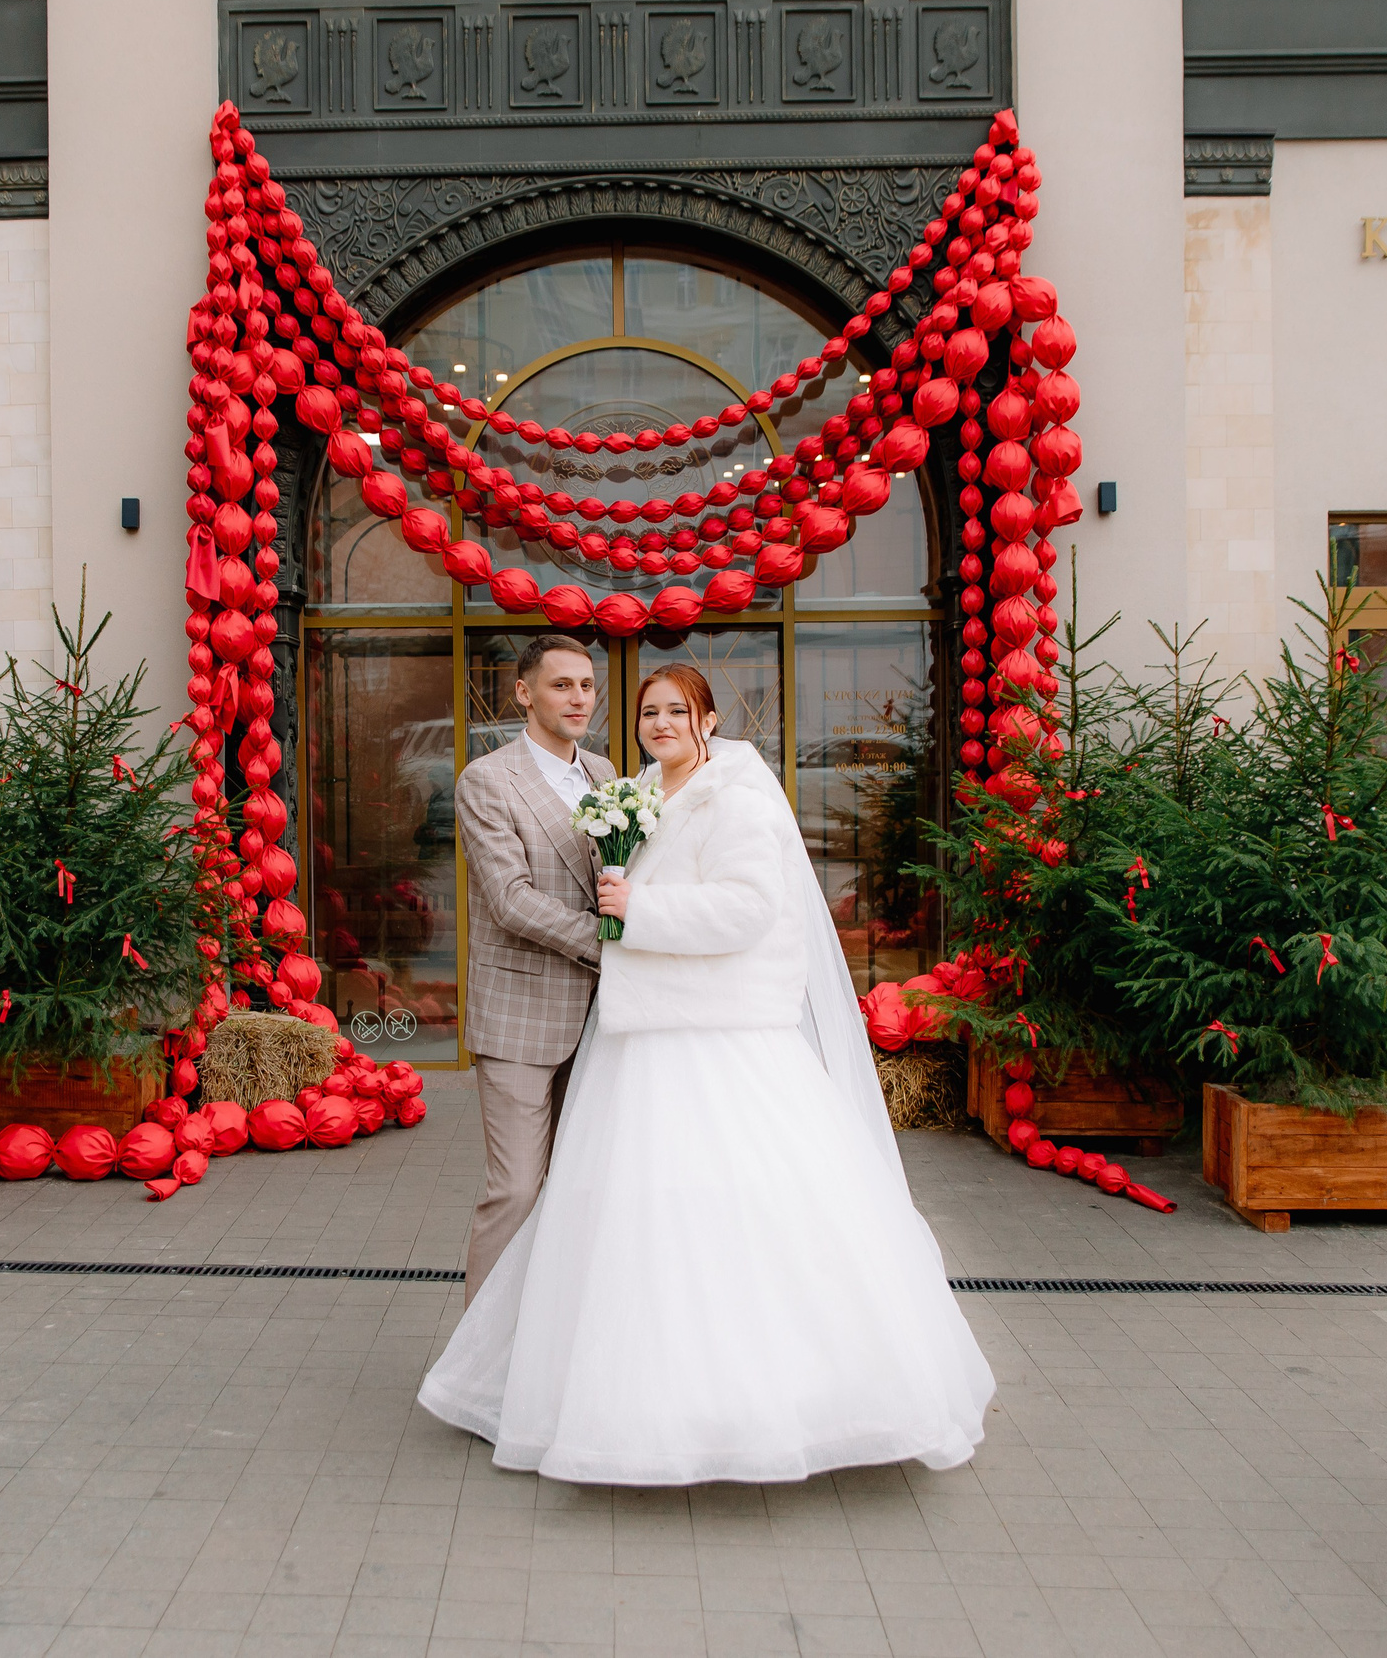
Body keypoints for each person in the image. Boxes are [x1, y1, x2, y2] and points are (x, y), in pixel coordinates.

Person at [420, 662, 996, 1484]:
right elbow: (518, 896)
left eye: (674, 711)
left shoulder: (737, 793)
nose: (656, 722)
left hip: (708, 1033)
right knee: (607, 1216)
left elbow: (747, 907)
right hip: (629, 1029)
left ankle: (757, 1398)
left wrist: (634, 916)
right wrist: (616, 924)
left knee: (726, 1214)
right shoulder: (639, 788)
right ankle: (555, 1375)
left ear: (710, 720)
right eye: (648, 710)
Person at [451, 633, 615, 1303]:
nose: (578, 697)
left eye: (586, 685)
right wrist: (613, 944)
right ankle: (477, 1366)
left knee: (584, 1190)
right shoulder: (487, 780)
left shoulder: (609, 777)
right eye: (561, 684)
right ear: (524, 692)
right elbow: (511, 900)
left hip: (605, 1018)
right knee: (516, 1188)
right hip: (521, 1015)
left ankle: (554, 1348)